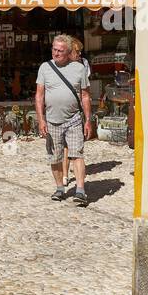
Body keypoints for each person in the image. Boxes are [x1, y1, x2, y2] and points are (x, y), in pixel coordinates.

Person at [35, 33, 92, 208]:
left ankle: (80, 191)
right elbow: (39, 96)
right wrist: (41, 119)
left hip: (74, 119)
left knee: (77, 154)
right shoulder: (45, 68)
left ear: (68, 52)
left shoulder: (79, 69)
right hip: (52, 121)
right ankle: (60, 188)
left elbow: (85, 96)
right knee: (55, 157)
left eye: (60, 50)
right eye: (54, 49)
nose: (56, 53)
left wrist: (88, 120)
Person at [62, 36, 93, 185]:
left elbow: (86, 88)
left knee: (75, 142)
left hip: (79, 107)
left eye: (80, 51)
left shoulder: (84, 64)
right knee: (65, 144)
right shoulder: (60, 66)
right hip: (65, 107)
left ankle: (75, 169)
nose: (80, 54)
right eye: (77, 51)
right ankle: (65, 174)